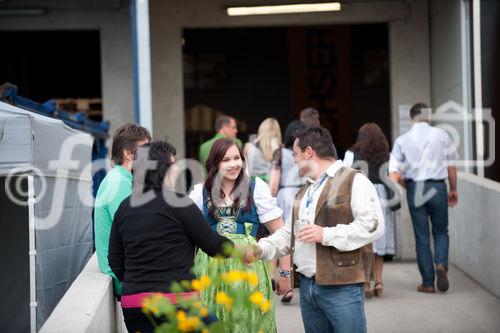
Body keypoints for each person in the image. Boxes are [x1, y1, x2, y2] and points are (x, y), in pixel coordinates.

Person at [245, 126, 385, 333]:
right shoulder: (306, 189)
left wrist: (326, 234)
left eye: (296, 154)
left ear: (308, 152)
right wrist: (261, 248)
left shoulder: (355, 180)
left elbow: (373, 225)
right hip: (308, 288)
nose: (294, 160)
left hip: (342, 288)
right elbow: (290, 234)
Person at [109, 141, 234, 333]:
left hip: (134, 305)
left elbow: (115, 261)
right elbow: (215, 246)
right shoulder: (179, 203)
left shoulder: (124, 208)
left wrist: (140, 284)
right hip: (177, 304)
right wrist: (244, 249)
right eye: (174, 164)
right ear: (162, 169)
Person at [189, 138, 291, 333]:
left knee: (249, 323)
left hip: (249, 271)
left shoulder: (256, 188)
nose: (234, 164)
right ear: (215, 164)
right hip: (210, 274)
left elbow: (281, 232)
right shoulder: (200, 193)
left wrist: (285, 273)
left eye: (237, 158)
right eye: (226, 160)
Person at [389, 103, 459, 293]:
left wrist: (407, 186)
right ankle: (441, 265)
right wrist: (453, 190)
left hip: (415, 188)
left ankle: (428, 283)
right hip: (438, 187)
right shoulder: (442, 135)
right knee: (441, 231)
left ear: (411, 119)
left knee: (422, 237)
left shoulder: (403, 140)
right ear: (429, 117)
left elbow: (393, 173)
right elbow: (451, 166)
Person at [94, 123, 151, 296]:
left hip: (127, 275)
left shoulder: (120, 178)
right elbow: (133, 235)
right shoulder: (121, 184)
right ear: (128, 153)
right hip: (126, 279)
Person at [344, 123, 399, 298]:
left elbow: (345, 176)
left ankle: (366, 282)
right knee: (379, 241)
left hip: (361, 194)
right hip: (382, 196)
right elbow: (392, 177)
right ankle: (379, 282)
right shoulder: (387, 155)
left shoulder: (352, 154)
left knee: (363, 238)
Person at [268, 120, 306, 303]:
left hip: (285, 194)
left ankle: (288, 285)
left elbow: (273, 183)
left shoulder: (280, 154)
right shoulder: (307, 152)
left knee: (285, 238)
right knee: (302, 237)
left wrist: (270, 199)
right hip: (303, 193)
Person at [244, 117, 282, 183]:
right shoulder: (278, 151)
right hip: (269, 188)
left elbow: (243, 171)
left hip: (251, 187)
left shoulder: (248, 147)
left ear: (261, 129)